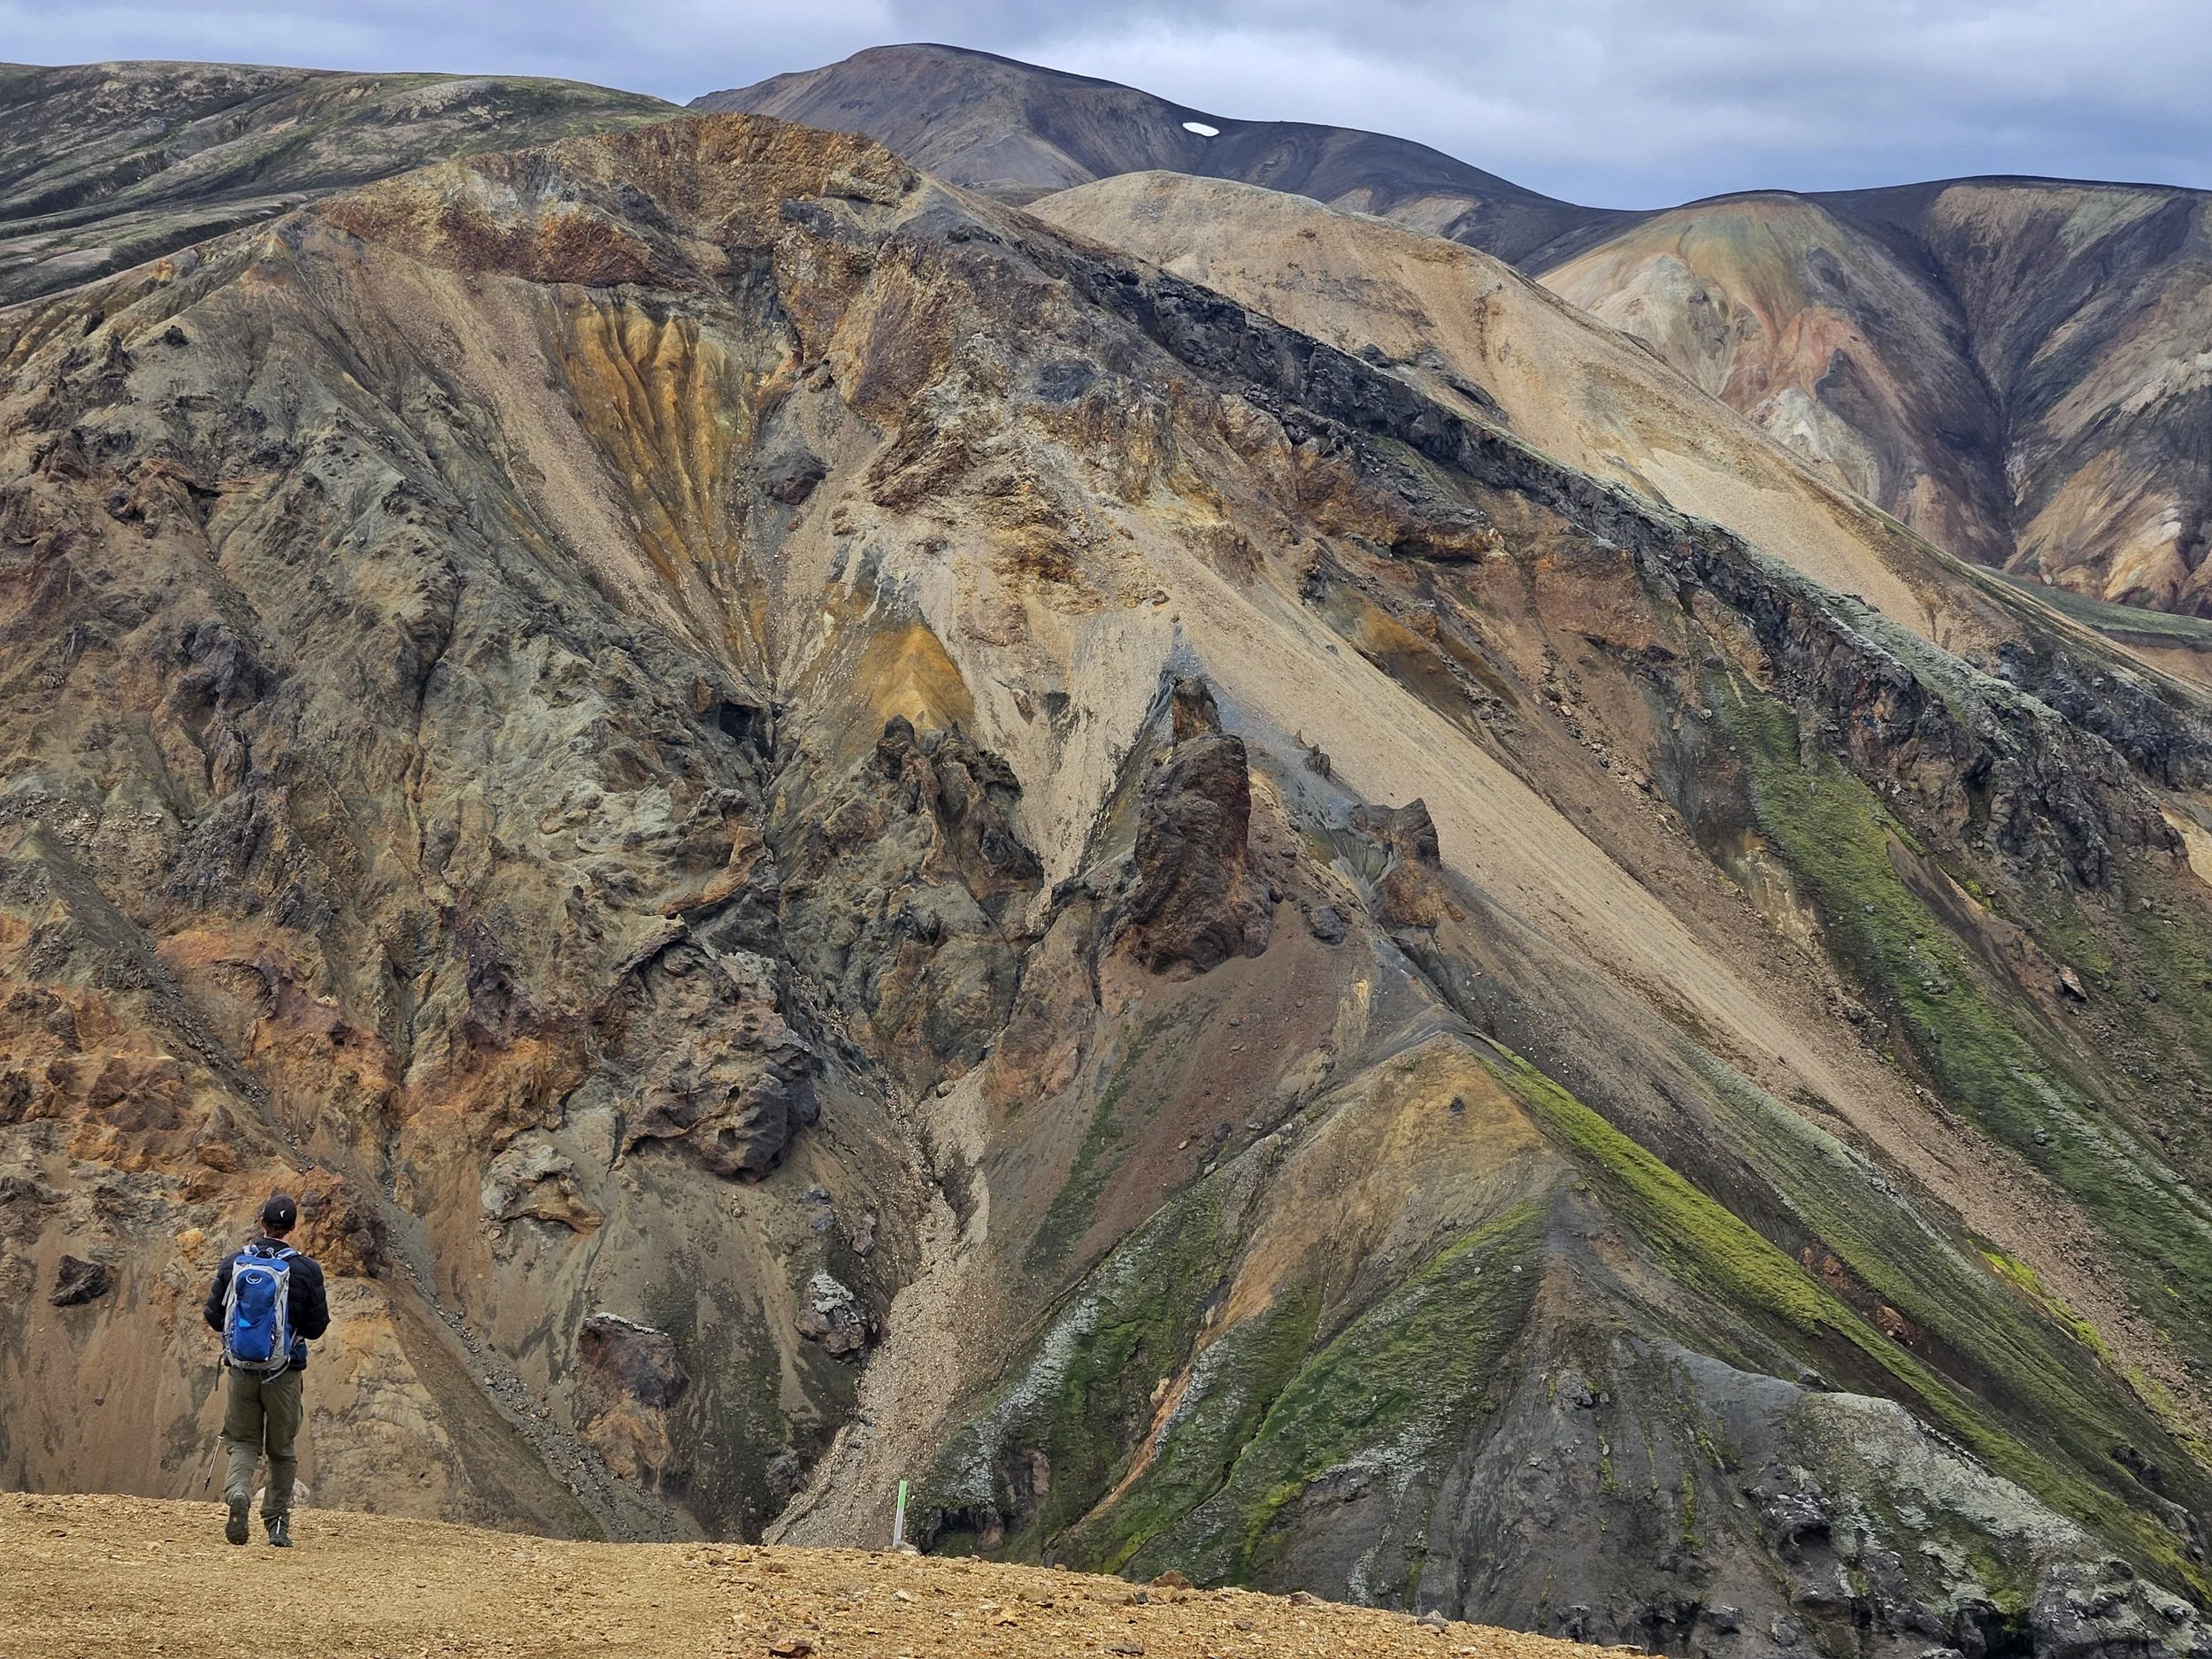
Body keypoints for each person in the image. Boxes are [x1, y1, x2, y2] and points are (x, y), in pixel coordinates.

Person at [202, 1192, 330, 1548]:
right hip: (284, 1374)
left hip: (242, 1371)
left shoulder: (234, 1263)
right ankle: (276, 1525)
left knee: (242, 1442)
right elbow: (317, 1327)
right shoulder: (306, 1270)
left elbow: (213, 1316)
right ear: (293, 1226)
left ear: (261, 1222)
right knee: (282, 1450)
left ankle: (239, 1492)